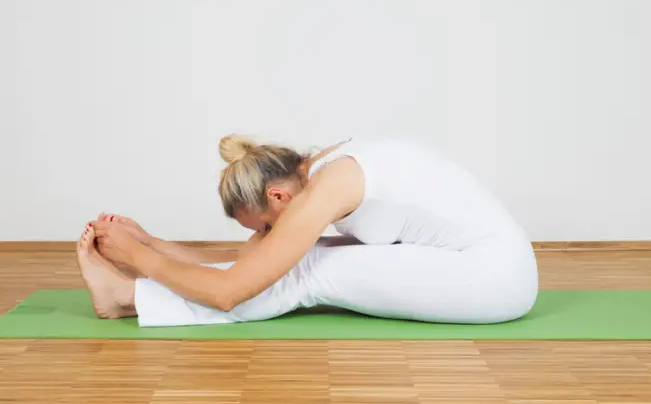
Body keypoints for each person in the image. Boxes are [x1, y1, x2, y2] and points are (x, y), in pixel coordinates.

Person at [82, 137, 539, 326]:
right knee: (293, 263)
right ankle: (133, 292)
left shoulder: (327, 189)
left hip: (494, 278)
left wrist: (141, 262)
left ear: (278, 197)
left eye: (263, 227)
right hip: (477, 264)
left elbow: (231, 291)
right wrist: (155, 246)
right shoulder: (320, 169)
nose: (264, 237)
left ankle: (128, 298)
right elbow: (255, 263)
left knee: (306, 270)